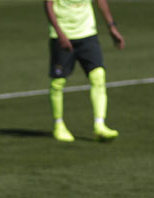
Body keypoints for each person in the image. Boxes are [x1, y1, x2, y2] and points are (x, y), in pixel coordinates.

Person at [43, 0, 125, 142]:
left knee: (98, 76)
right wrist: (59, 33)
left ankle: (100, 125)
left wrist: (111, 26)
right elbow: (48, 4)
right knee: (58, 82)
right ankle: (59, 125)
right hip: (62, 36)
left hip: (87, 34)